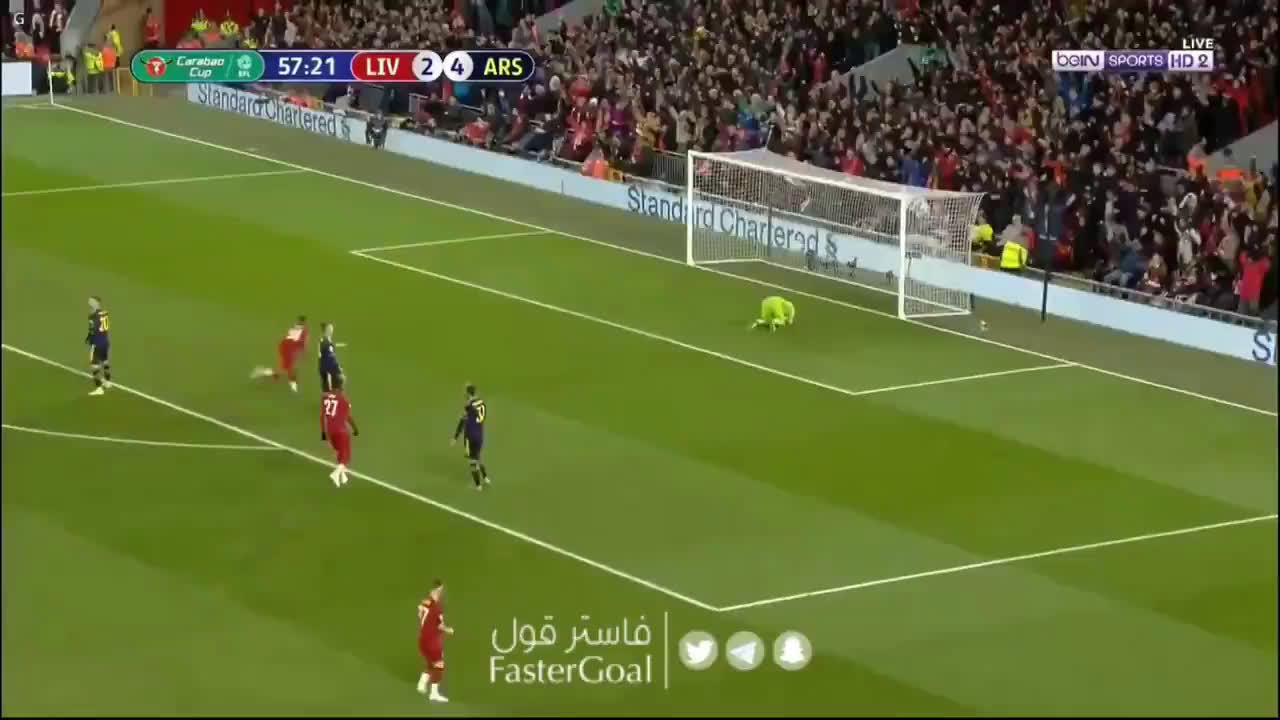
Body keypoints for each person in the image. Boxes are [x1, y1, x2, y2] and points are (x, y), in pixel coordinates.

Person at [416, 579, 453, 702]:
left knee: (431, 662)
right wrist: (449, 630)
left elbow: (420, 613)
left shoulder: (424, 603)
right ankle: (434, 693)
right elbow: (440, 626)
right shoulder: (437, 608)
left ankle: (421, 684)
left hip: (423, 640)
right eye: (439, 590)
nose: (441, 593)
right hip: (432, 642)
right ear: (434, 591)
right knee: (439, 666)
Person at [320, 376, 358, 487]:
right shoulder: (344, 400)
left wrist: (323, 432)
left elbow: (322, 416)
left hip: (330, 430)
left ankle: (342, 477)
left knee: (339, 453)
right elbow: (348, 417)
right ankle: (335, 474)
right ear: (341, 387)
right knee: (346, 455)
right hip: (341, 430)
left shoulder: (325, 399)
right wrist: (355, 428)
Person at [251, 315, 307, 391]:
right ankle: (262, 372)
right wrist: (302, 351)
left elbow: (297, 341)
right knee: (287, 369)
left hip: (285, 347)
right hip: (287, 349)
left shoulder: (297, 328)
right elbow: (300, 342)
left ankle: (271, 374)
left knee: (287, 368)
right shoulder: (302, 330)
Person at [451, 384, 490, 489]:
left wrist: (455, 437)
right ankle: (486, 478)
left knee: (472, 462)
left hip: (470, 437)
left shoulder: (468, 406)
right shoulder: (482, 403)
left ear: (468, 393)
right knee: (477, 457)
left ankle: (478, 486)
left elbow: (462, 421)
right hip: (480, 435)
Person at [85, 296, 112, 396]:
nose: (89, 302)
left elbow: (92, 330)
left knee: (94, 366)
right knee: (105, 361)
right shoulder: (105, 313)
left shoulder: (92, 316)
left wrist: (89, 339)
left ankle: (99, 388)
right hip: (105, 341)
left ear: (96, 303)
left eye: (91, 301)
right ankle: (107, 382)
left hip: (97, 343)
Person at [317, 322, 343, 391]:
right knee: (337, 384)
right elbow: (330, 356)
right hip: (328, 365)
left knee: (326, 386)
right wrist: (337, 367)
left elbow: (325, 351)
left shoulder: (323, 339)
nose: (332, 330)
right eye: (330, 329)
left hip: (323, 365)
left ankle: (328, 395)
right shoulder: (325, 341)